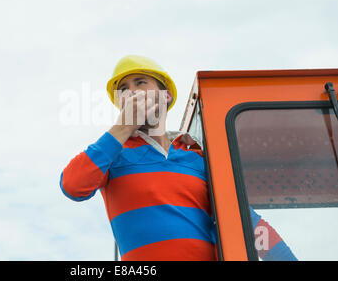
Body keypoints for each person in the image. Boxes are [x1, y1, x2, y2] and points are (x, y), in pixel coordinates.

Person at [60, 54, 297, 261]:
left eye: (140, 82)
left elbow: (251, 225)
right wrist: (123, 127)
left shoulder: (199, 158)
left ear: (166, 96)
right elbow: (73, 186)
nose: (131, 91)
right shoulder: (112, 154)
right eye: (123, 90)